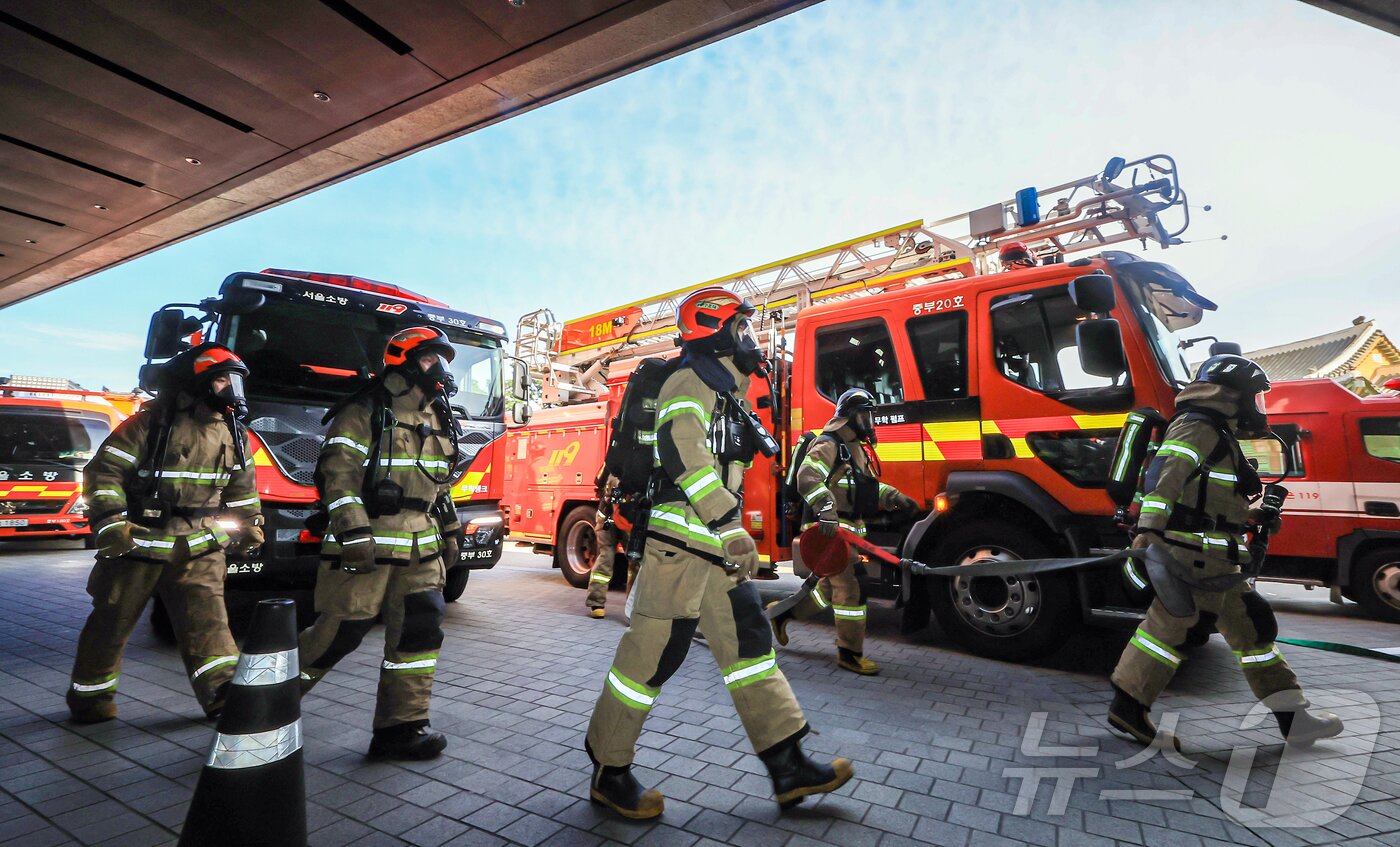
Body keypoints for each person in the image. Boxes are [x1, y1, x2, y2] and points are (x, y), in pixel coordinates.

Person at [584, 288, 853, 819]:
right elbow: (683, 453)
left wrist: (725, 530)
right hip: (679, 551)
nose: (749, 338)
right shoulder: (688, 381)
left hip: (712, 553)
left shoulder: (725, 390)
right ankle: (609, 772)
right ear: (714, 331)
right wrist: (729, 524)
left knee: (750, 648)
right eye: (741, 327)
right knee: (649, 659)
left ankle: (789, 766)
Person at [1108, 354, 1343, 747]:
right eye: (1255, 397)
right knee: (1169, 631)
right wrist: (1148, 531)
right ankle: (1128, 708)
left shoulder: (1217, 432)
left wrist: (1249, 517)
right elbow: (1165, 477)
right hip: (1190, 556)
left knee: (1254, 633)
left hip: (1217, 560)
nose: (1258, 407)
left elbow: (1205, 499)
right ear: (1233, 394)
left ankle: (1294, 719)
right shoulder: (1197, 425)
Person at [69, 343, 262, 723]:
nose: (231, 389)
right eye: (222, 380)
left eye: (235, 381)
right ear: (197, 383)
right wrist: (111, 522)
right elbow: (104, 474)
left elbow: (242, 489)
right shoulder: (148, 425)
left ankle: (222, 693)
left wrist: (251, 523)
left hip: (201, 546)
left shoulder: (234, 434)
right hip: (138, 545)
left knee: (209, 624)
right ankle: (91, 696)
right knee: (112, 622)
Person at [298, 326, 465, 760]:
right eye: (429, 359)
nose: (439, 369)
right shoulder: (365, 409)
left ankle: (401, 727)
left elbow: (439, 485)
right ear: (403, 364)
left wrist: (450, 530)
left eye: (441, 361)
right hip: (368, 543)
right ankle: (262, 701)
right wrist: (353, 530)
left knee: (419, 633)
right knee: (340, 632)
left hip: (421, 547)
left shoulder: (438, 416)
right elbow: (338, 475)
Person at [768, 388, 919, 675]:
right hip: (827, 531)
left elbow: (865, 489)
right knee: (852, 589)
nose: (869, 421)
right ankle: (849, 653)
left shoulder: (855, 448)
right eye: (864, 415)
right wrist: (826, 510)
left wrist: (896, 497)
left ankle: (783, 613)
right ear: (850, 417)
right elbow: (807, 476)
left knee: (827, 590)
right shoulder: (829, 444)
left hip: (846, 531)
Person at [586, 472, 632, 619]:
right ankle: (597, 603)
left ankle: (632, 605)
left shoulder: (615, 466)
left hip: (618, 516)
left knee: (633, 560)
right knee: (608, 558)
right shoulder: (622, 471)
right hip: (612, 517)